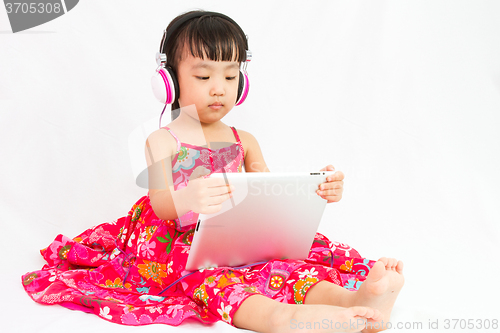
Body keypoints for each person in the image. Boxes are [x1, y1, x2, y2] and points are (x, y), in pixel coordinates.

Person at [22, 10, 404, 333]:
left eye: (230, 75)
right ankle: (286, 318)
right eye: (204, 77)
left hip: (239, 232)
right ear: (169, 82)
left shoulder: (244, 139)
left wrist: (313, 189)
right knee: (216, 282)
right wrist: (189, 197)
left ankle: (355, 303)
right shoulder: (163, 140)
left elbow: (266, 190)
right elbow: (161, 204)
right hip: (182, 243)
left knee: (287, 266)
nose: (219, 89)